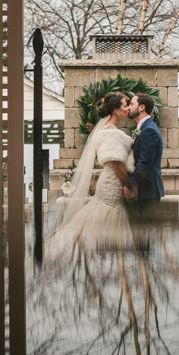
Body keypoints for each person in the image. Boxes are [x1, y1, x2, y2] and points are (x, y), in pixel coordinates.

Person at [49, 92, 135, 255]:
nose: (127, 109)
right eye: (125, 106)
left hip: (112, 183)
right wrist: (130, 183)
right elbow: (116, 163)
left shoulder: (110, 129)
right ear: (116, 110)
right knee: (106, 221)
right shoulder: (110, 131)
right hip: (111, 183)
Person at [123, 93, 164, 228]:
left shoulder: (149, 130)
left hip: (147, 192)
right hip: (144, 191)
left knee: (145, 237)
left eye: (132, 104)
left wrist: (129, 185)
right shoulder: (145, 127)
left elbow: (144, 163)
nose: (128, 108)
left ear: (141, 107)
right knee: (140, 238)